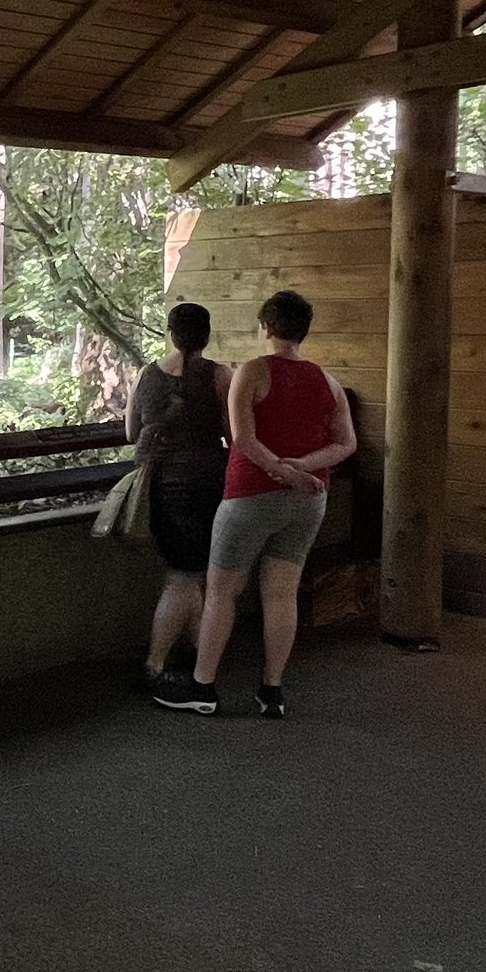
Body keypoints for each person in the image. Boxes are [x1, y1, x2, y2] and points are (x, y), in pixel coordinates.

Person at [157, 289, 355, 718]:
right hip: (309, 500)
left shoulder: (252, 372)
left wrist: (283, 471)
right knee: (282, 594)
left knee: (222, 592)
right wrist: (303, 469)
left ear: (265, 327)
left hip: (249, 495)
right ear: (304, 330)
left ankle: (203, 686)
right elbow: (345, 443)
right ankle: (272, 689)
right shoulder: (329, 381)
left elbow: (243, 439)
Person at [126, 302, 232, 686]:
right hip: (205, 482)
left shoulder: (145, 375)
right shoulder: (219, 375)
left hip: (158, 481)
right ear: (206, 335)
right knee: (185, 577)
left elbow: (130, 431)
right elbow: (233, 433)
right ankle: (155, 663)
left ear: (170, 333)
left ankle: (202, 655)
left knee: (187, 573)